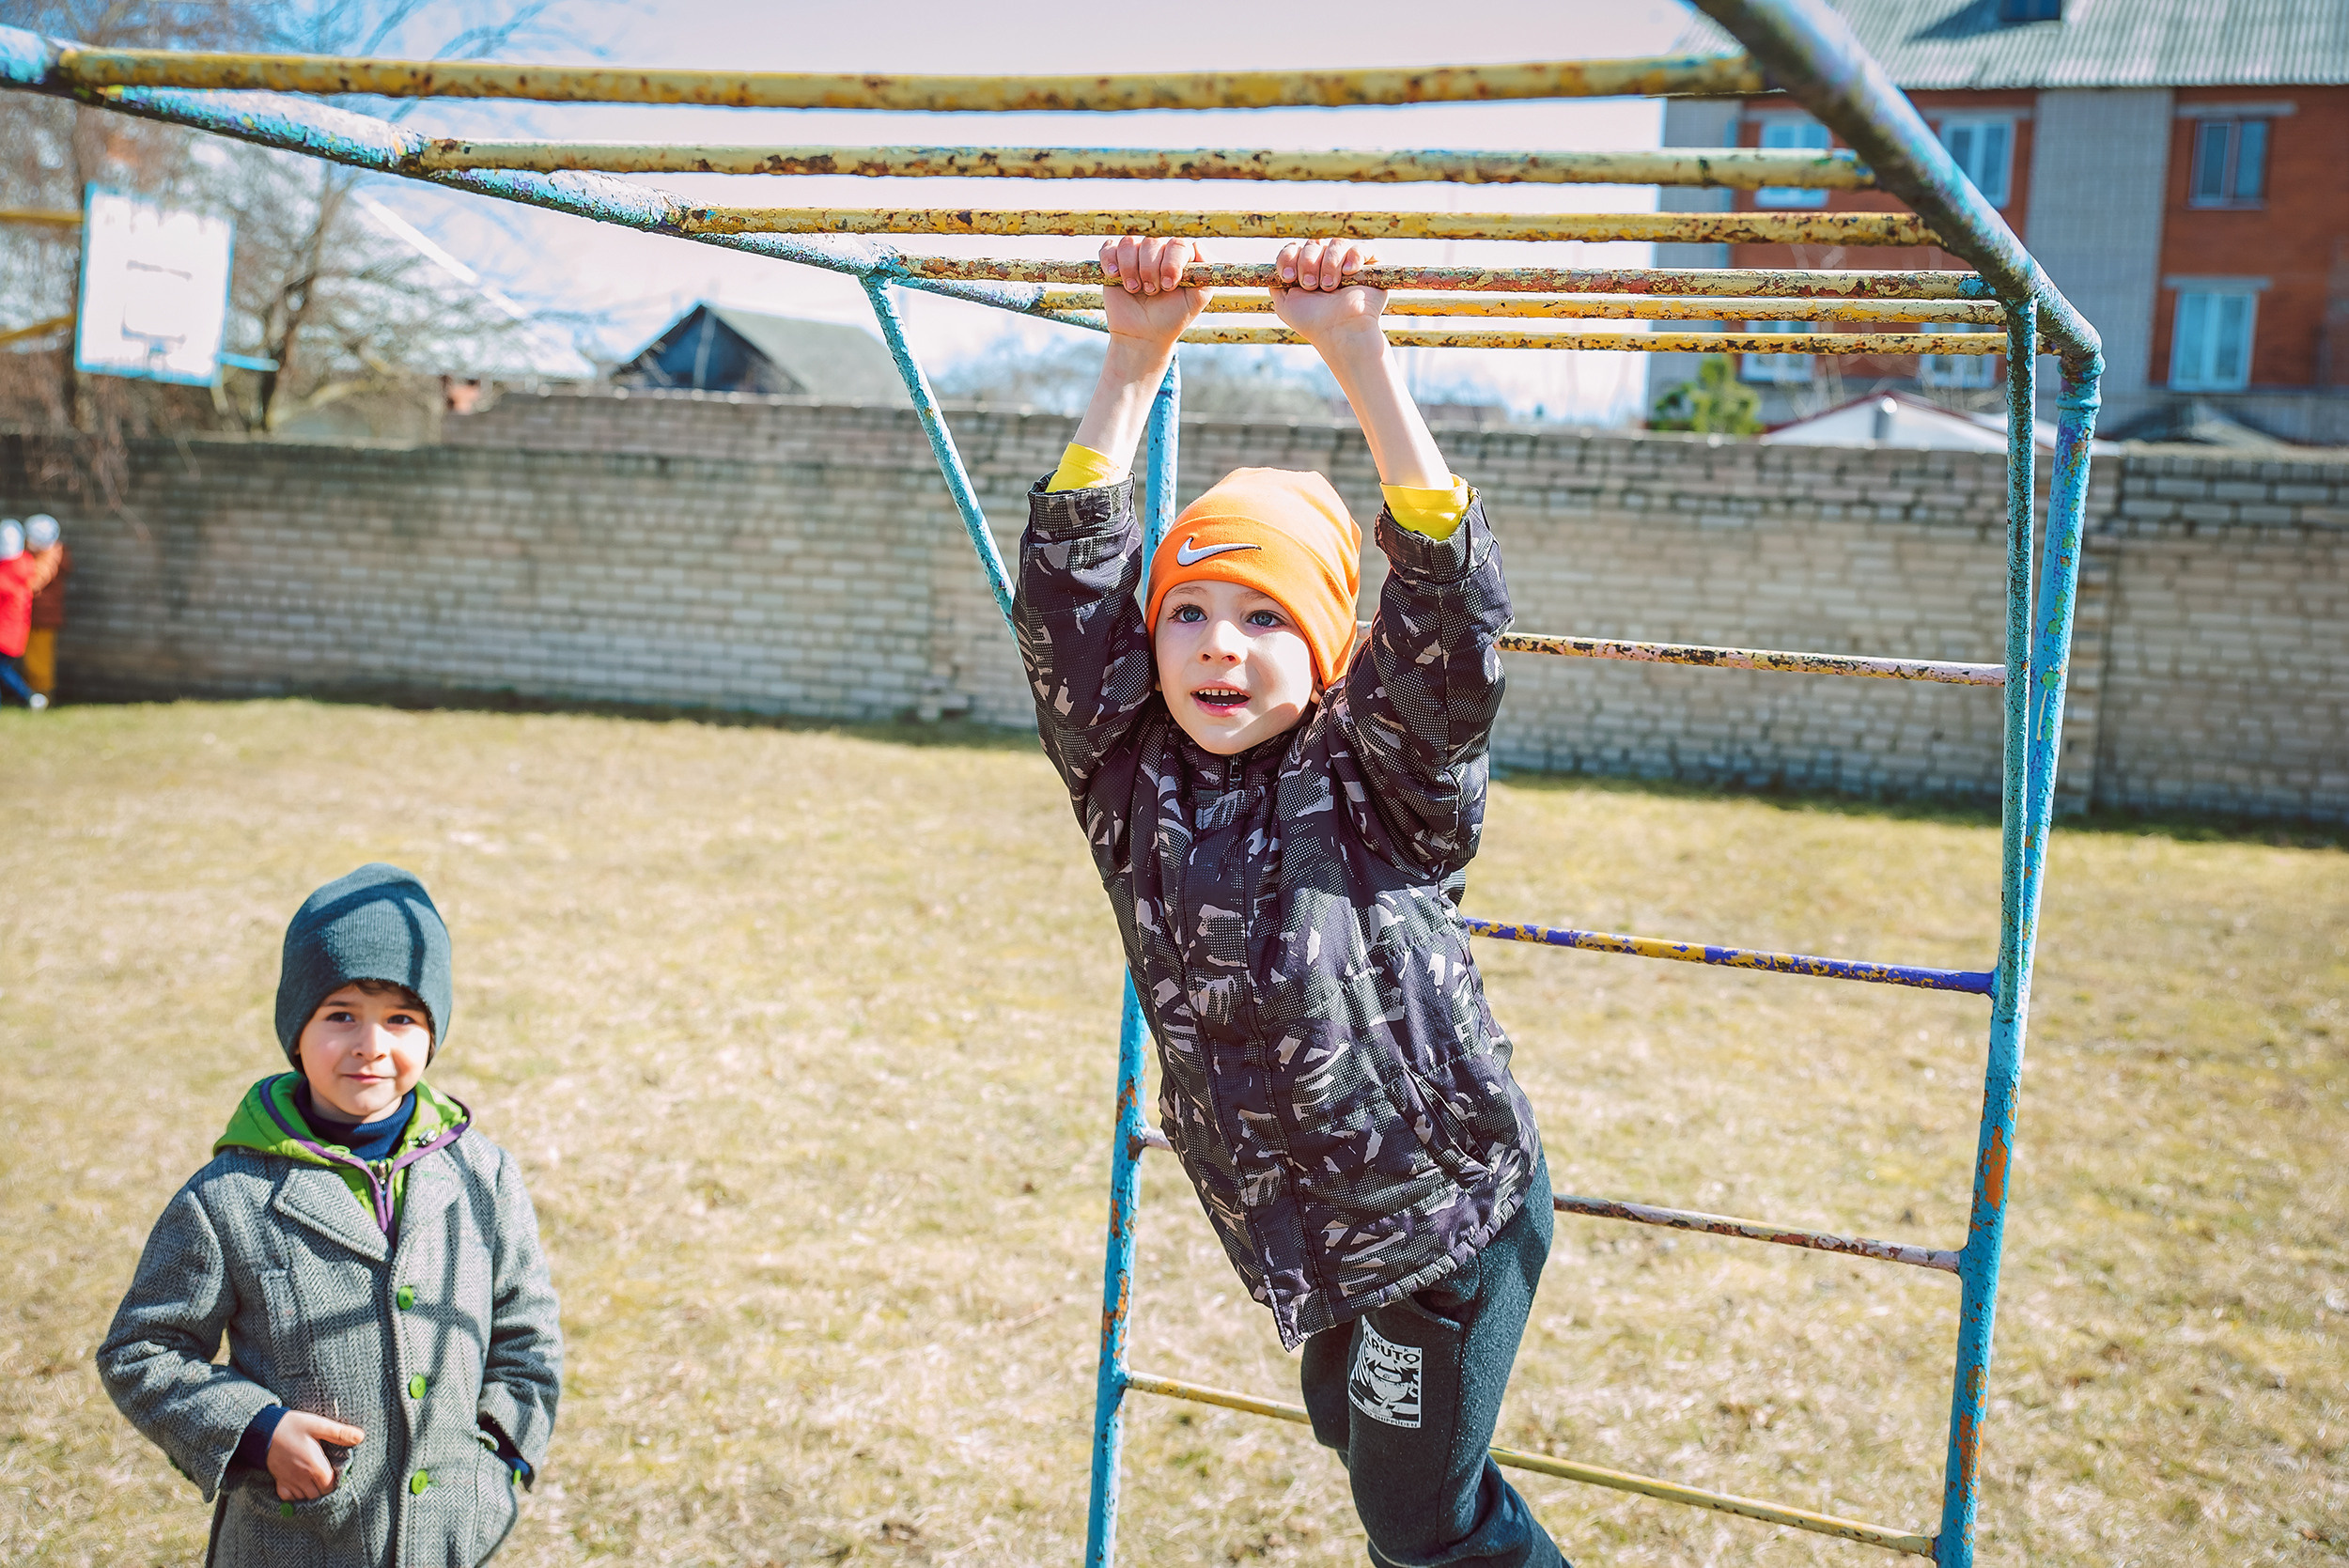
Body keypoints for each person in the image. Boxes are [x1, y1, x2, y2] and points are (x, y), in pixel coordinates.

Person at [1016, 236, 1563, 1568]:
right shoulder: (1127, 775)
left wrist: (1362, 360)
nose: (1218, 642)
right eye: (1189, 611)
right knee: (1364, 1452)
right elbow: (1067, 599)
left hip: (1437, 1214)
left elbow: (1447, 615)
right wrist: (1132, 360)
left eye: (1263, 617)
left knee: (1421, 1524)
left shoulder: (1378, 773)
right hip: (1303, 1231)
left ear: (1324, 650)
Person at [98, 864, 562, 1567]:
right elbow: (142, 1350)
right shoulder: (229, 1194)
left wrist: (503, 1449)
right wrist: (256, 1431)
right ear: (297, 1030)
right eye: (341, 1014)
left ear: (433, 1034)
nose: (370, 1044)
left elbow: (527, 1329)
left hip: (451, 1537)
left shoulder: (483, 1174)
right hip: (293, 1541)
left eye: (401, 1018)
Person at [0, 518, 57, 709]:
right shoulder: (25, 564)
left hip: (6, 634)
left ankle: (30, 696)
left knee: (5, 669)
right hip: (15, 631)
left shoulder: (8, 574)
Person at [23, 513, 67, 704]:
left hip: (43, 618)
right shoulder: (46, 553)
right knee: (34, 658)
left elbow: (35, 581)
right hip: (36, 616)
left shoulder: (49, 555)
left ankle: (42, 696)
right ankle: (35, 694)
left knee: (39, 660)